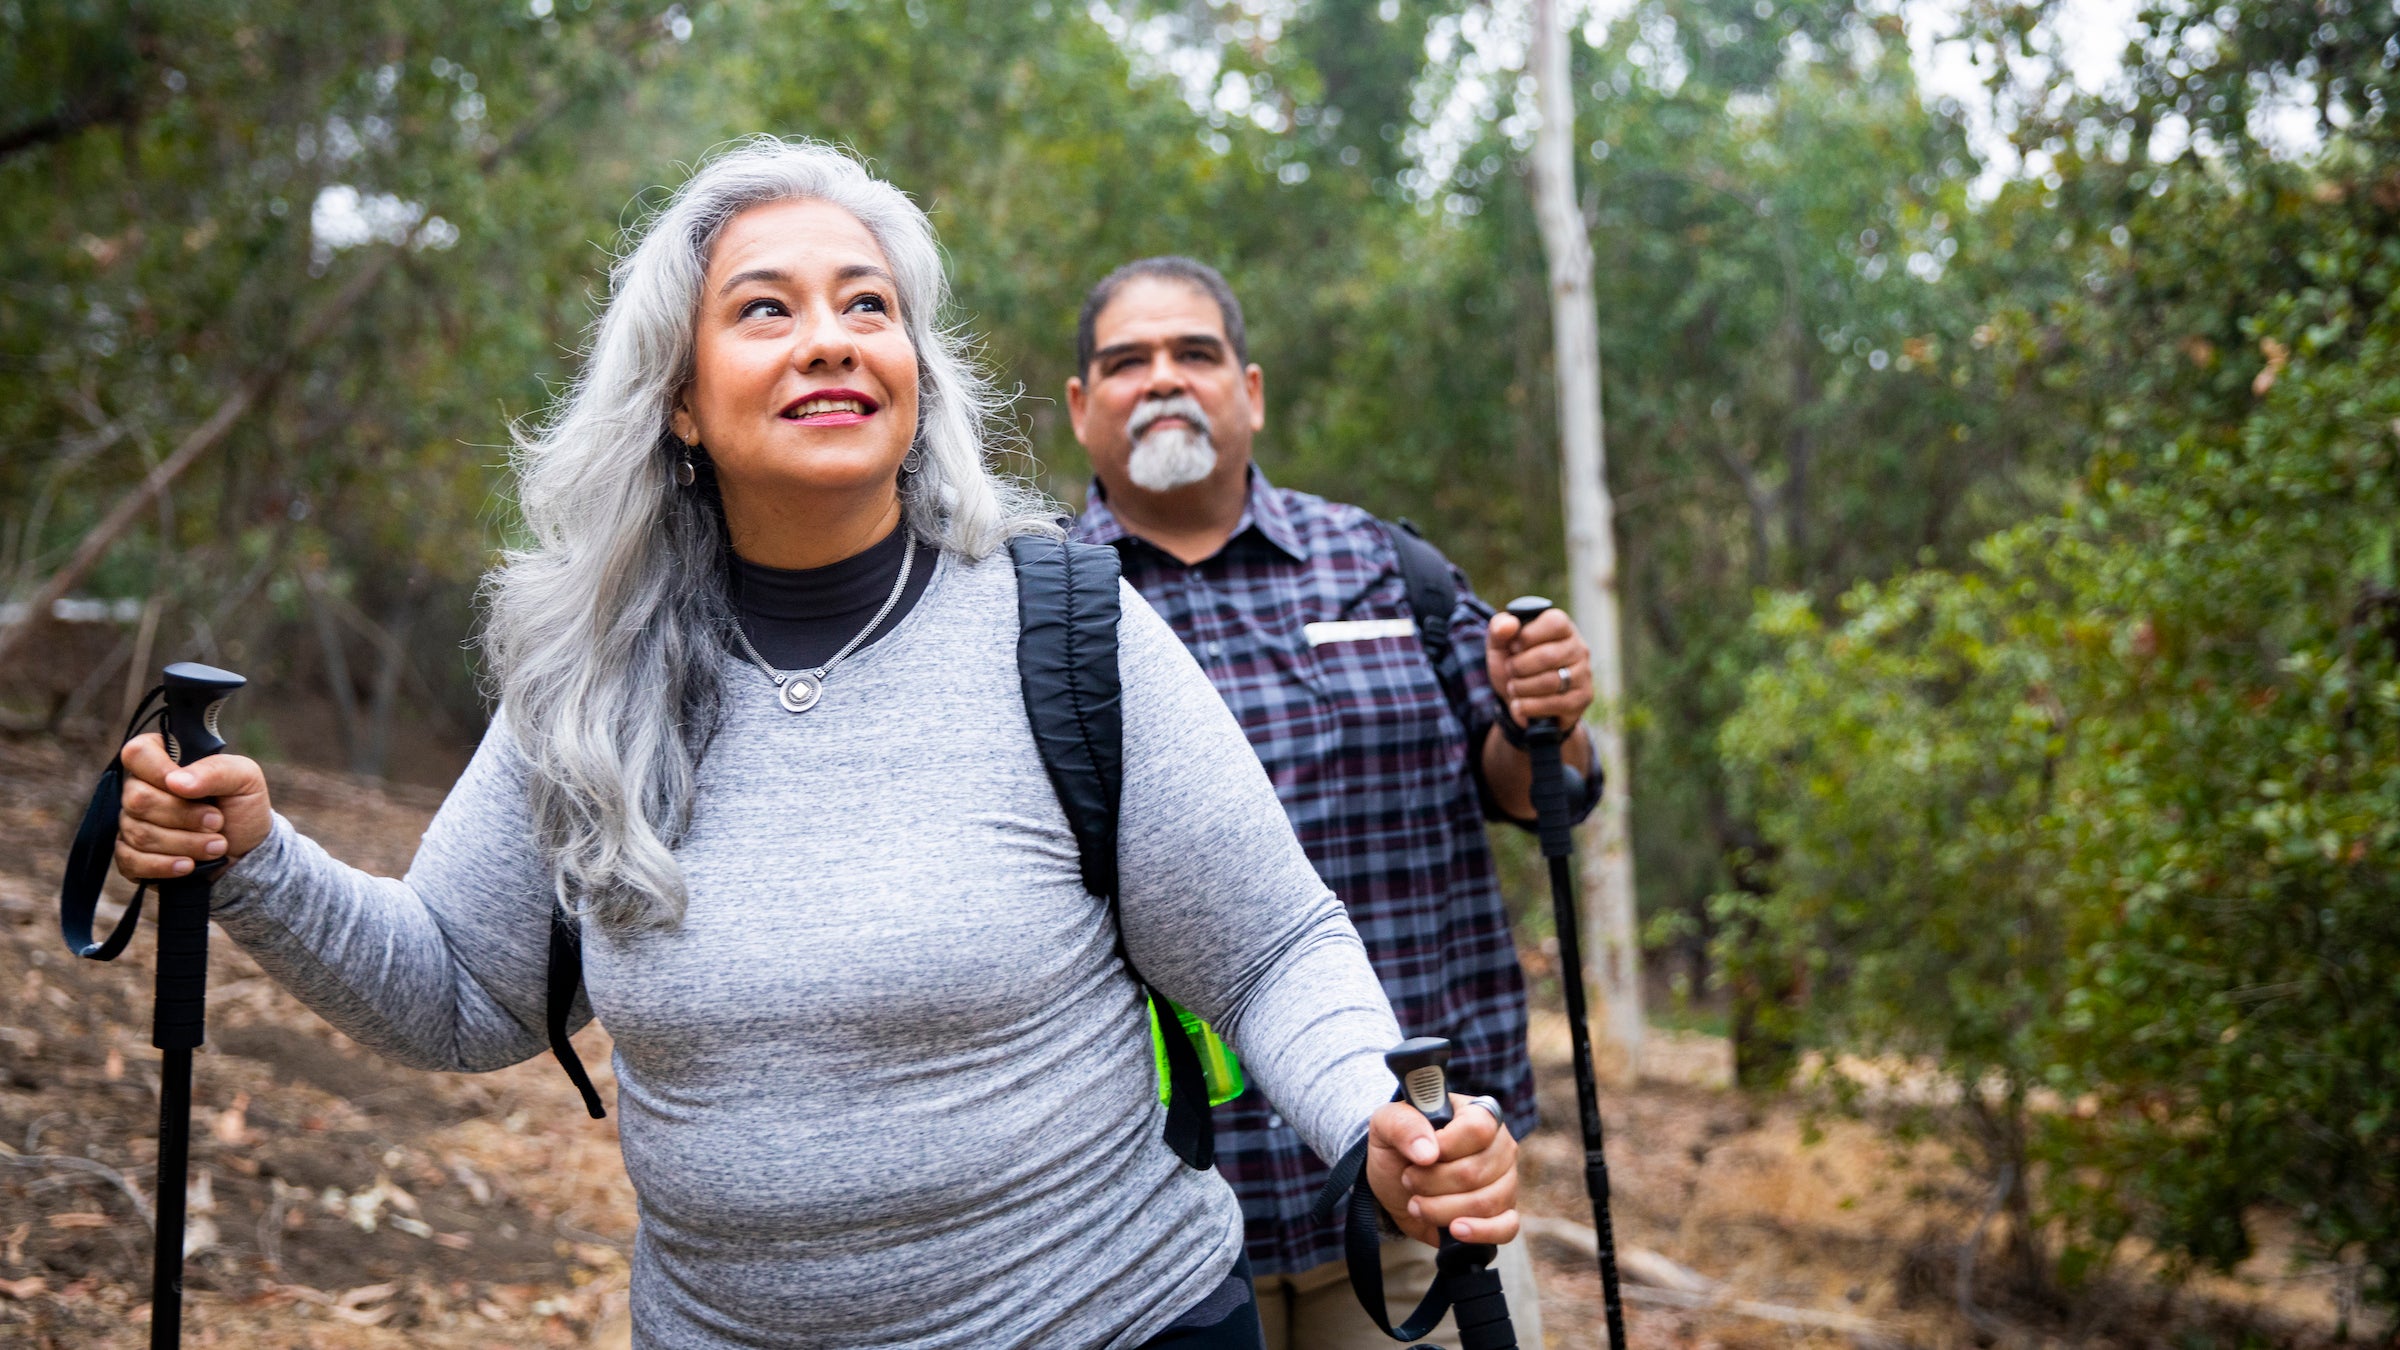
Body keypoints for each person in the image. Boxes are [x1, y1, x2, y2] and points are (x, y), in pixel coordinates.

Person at [105, 139, 1522, 1350]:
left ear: (915, 371)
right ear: (680, 396)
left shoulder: (1064, 626)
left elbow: (1268, 950)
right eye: (765, 309)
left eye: (868, 304)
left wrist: (1378, 1124)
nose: (832, 338)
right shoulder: (587, 676)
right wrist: (253, 859)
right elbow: (460, 992)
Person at [1065, 257, 1602, 1350]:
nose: (1162, 378)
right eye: (1128, 361)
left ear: (1250, 390)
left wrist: (1541, 709)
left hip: (1420, 1176)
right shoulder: (1037, 609)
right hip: (1146, 1224)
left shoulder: (1389, 569)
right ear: (1081, 408)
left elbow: (1534, 788)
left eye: (1194, 353)